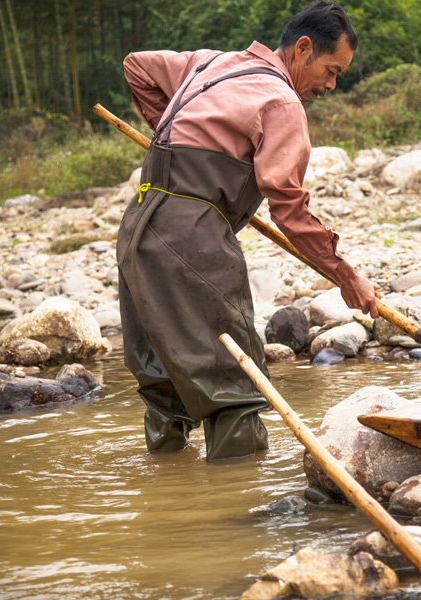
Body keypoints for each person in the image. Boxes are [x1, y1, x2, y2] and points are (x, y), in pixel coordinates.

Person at [117, 1, 378, 461]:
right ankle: (240, 512)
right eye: (332, 70)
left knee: (163, 379)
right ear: (302, 48)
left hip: (138, 226)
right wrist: (345, 275)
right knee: (233, 382)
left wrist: (173, 133)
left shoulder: (211, 62)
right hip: (192, 239)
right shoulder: (281, 101)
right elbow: (290, 209)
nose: (332, 85)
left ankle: (168, 495)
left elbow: (138, 66)